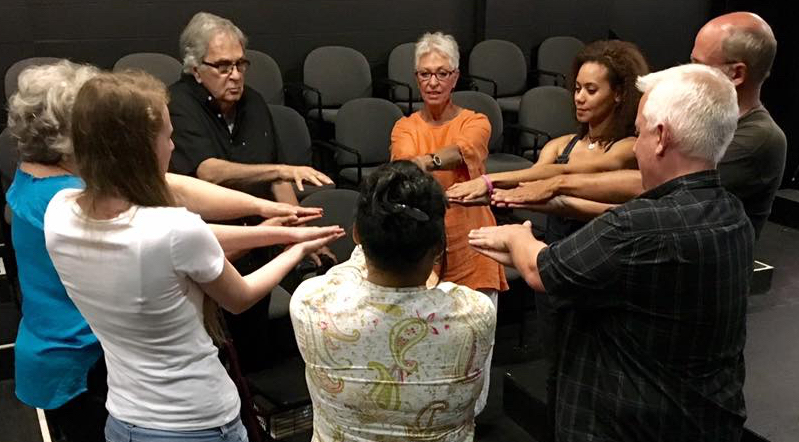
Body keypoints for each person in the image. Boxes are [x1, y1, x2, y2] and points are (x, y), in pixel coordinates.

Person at [5, 61, 320, 442]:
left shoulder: (62, 195)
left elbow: (173, 196)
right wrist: (274, 237)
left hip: (115, 393)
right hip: (81, 367)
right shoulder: (59, 203)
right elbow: (175, 244)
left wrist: (262, 212)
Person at [470, 64, 753, 441]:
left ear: (661, 137)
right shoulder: (733, 213)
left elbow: (542, 271)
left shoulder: (636, 226)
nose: (635, 145)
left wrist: (518, 239)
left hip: (627, 425)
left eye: (638, 133)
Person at [494, 12, 786, 240]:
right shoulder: (701, 121)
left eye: (697, 62)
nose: (687, 69)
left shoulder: (758, 137)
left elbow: (651, 186)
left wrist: (555, 189)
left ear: (736, 73)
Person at [168, 11, 338, 370]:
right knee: (217, 350)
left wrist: (300, 232)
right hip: (212, 245)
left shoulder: (254, 102)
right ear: (195, 68)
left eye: (241, 64)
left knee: (254, 349)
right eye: (223, 66)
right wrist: (279, 170)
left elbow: (277, 178)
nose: (235, 75)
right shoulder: (178, 103)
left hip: (259, 242)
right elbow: (208, 172)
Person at [290, 161, 496, 442]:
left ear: (356, 235)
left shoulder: (311, 303)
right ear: (437, 248)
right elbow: (439, 288)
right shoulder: (476, 312)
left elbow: (348, 272)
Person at [389, 31, 507, 413]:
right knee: (428, 351)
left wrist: (428, 161)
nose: (433, 82)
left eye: (442, 73)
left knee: (476, 349)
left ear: (456, 77)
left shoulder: (476, 119)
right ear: (416, 77)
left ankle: (468, 421)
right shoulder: (404, 126)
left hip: (474, 246)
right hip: (424, 251)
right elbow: (402, 163)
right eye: (425, 74)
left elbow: (467, 148)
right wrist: (435, 162)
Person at [447, 39, 648, 224]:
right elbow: (533, 179)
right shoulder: (559, 145)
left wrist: (489, 181)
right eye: (577, 89)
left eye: (591, 90)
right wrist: (489, 194)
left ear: (619, 94)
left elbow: (568, 172)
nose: (579, 98)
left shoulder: (628, 147)